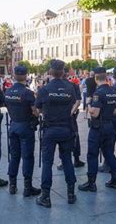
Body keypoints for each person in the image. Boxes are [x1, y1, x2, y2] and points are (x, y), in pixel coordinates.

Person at [35, 60, 79, 208]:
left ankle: (46, 196)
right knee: (67, 160)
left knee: (47, 162)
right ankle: (71, 193)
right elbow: (75, 103)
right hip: (66, 128)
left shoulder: (44, 89)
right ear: (63, 71)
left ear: (50, 72)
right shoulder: (71, 88)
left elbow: (38, 110)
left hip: (50, 129)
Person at [79, 67, 116, 192]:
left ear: (96, 78)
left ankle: (91, 183)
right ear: (106, 77)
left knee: (92, 154)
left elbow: (94, 113)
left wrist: (89, 104)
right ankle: (115, 179)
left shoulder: (98, 94)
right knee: (109, 153)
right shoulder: (113, 91)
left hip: (98, 128)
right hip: (110, 126)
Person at [4, 66, 41, 197]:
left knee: (14, 156)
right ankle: (27, 187)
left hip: (13, 125)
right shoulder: (28, 93)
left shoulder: (8, 91)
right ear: (26, 76)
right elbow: (35, 111)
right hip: (26, 126)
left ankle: (12, 185)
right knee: (27, 157)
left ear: (14, 76)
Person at [57, 68, 85, 170]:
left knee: (61, 137)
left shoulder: (54, 87)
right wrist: (72, 112)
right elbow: (78, 100)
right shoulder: (73, 85)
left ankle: (63, 161)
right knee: (75, 135)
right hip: (71, 115)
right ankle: (76, 159)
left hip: (59, 116)